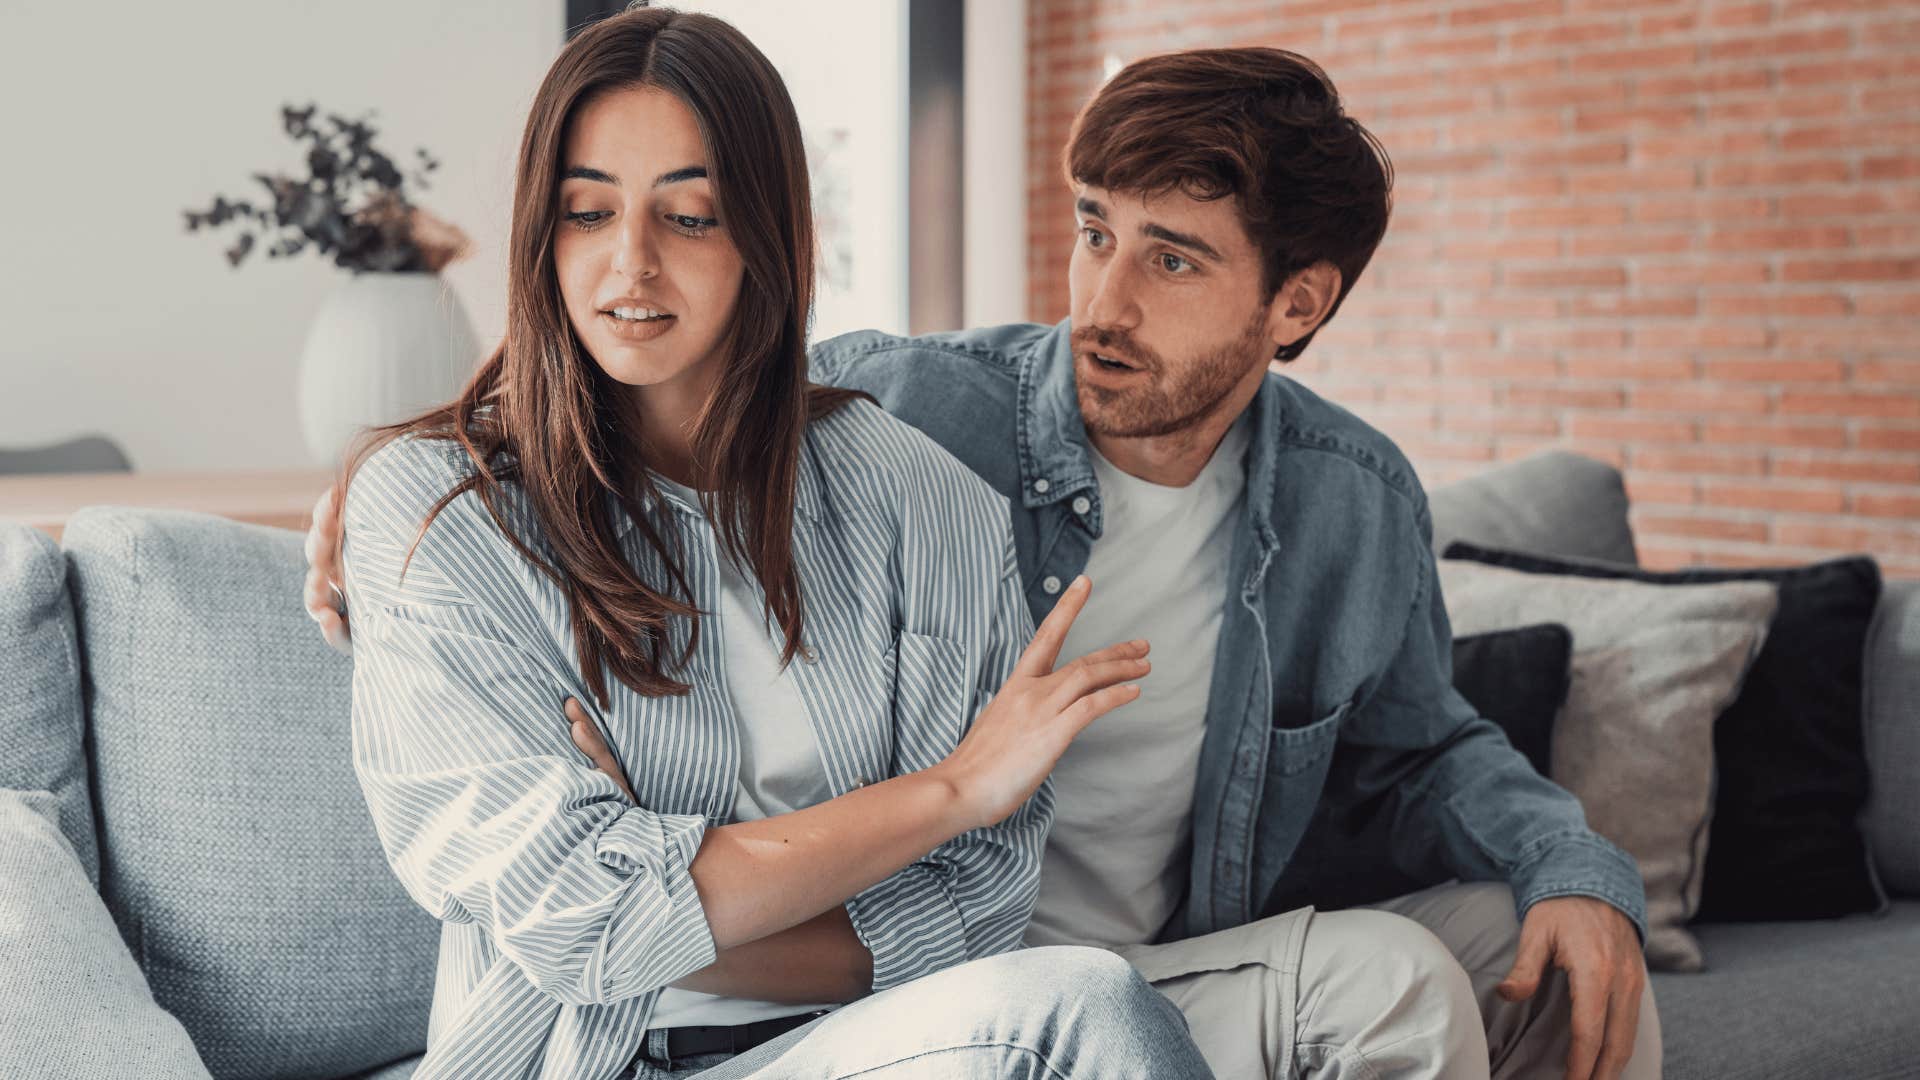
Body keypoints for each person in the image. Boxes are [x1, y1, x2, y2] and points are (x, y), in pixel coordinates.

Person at [313, 39, 1662, 1080]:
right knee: (1138, 1000)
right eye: (1092, 231)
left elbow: (1427, 749)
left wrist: (1580, 872)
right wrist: (397, 493)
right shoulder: (928, 413)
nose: (1102, 304)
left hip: (1097, 959)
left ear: (1294, 302)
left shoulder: (1337, 503)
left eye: (1173, 260)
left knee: (1551, 966)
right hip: (921, 994)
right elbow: (663, 382)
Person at [326, 8, 1212, 1079]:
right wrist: (947, 793)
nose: (631, 265)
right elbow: (576, 919)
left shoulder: (922, 501)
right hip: (585, 1060)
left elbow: (975, 904)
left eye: (689, 217)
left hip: (882, 1045)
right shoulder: (440, 513)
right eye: (587, 213)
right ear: (538, 232)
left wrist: (673, 890)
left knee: (1087, 1003)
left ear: (765, 232)